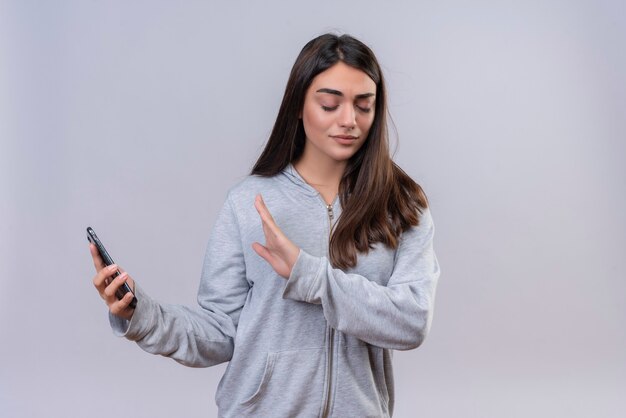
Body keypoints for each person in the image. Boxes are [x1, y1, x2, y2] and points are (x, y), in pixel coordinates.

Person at [90, 33, 440, 418]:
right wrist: (140, 314)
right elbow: (220, 332)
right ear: (298, 106)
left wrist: (308, 274)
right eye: (329, 104)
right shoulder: (248, 202)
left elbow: (412, 321)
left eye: (364, 106)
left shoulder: (402, 206)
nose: (349, 121)